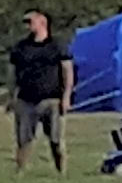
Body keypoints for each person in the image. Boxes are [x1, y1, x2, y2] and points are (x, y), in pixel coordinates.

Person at [9, 11, 74, 173]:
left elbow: (67, 71)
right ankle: (20, 171)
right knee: (24, 139)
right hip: (26, 99)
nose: (27, 26)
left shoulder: (57, 46)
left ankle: (61, 170)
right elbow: (13, 73)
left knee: (55, 138)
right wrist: (12, 97)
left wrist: (66, 96)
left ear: (42, 23)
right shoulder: (21, 47)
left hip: (51, 99)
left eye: (30, 22)